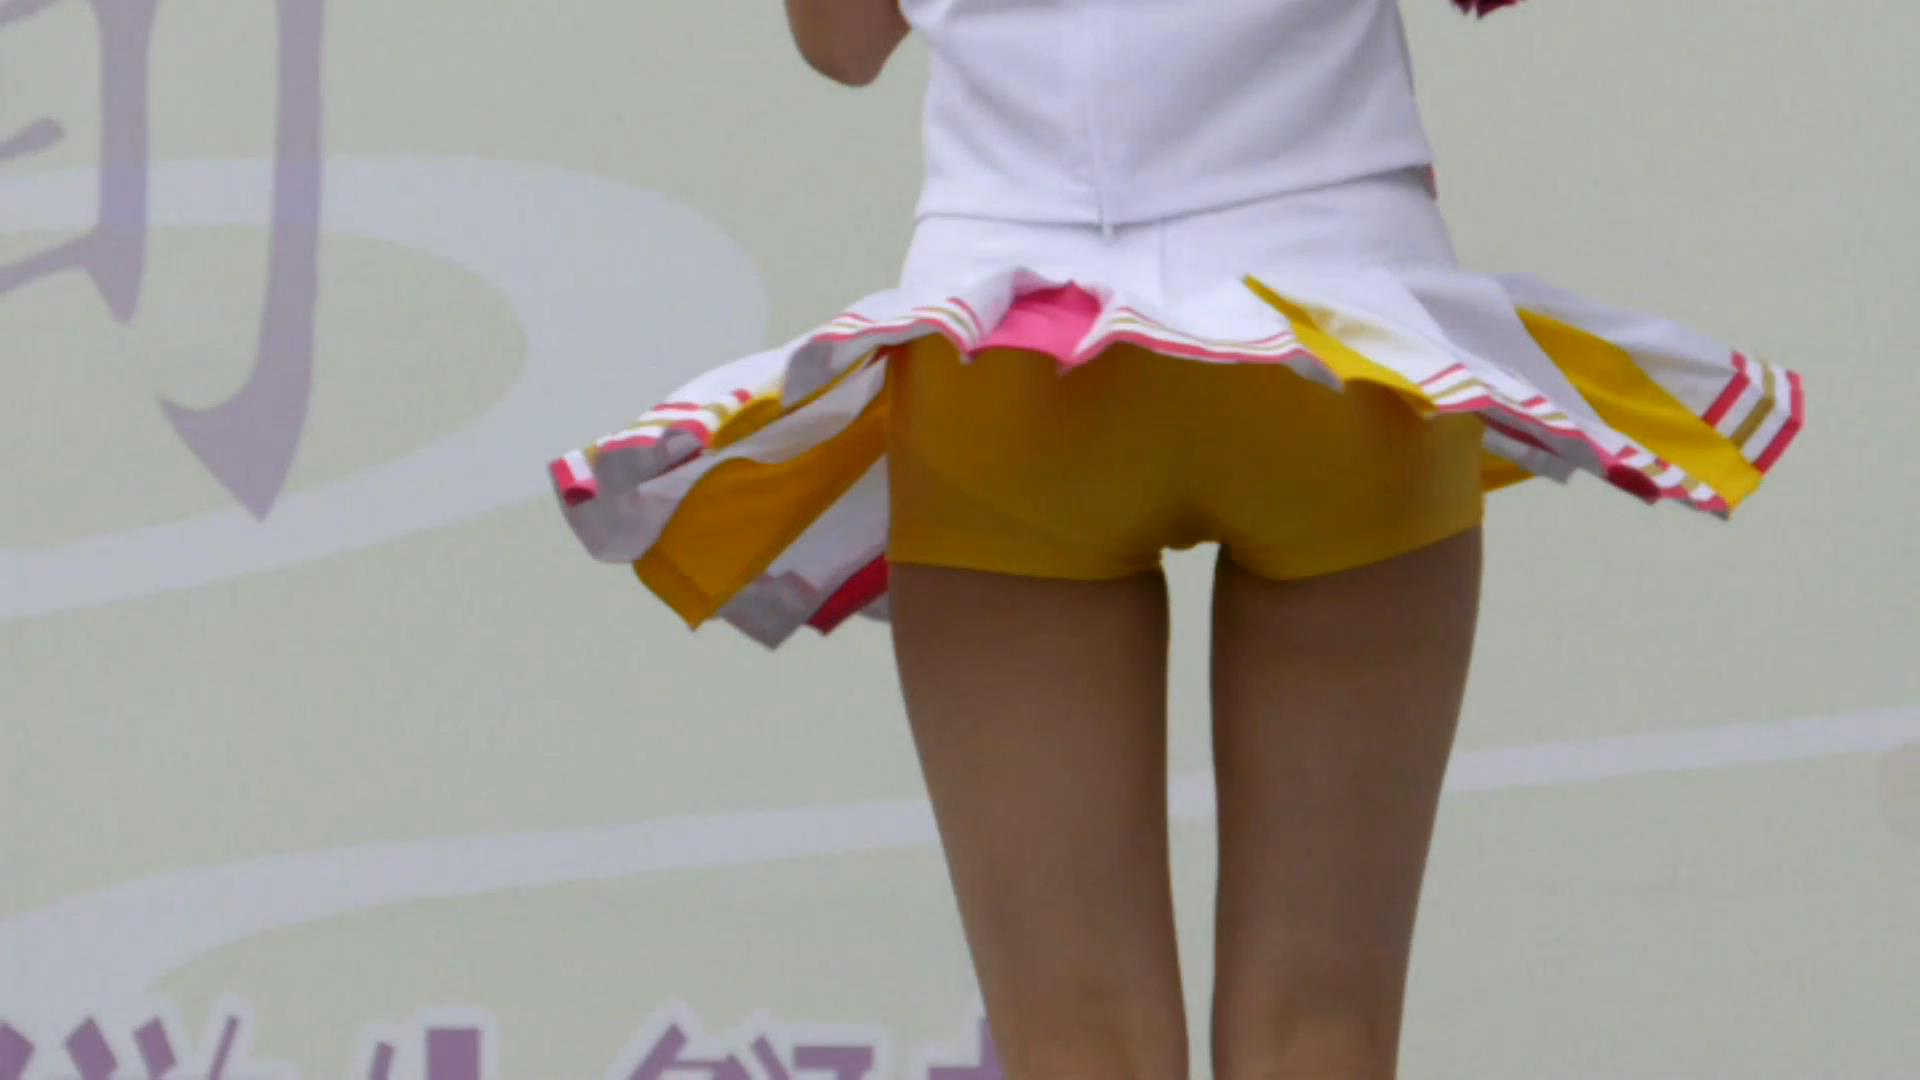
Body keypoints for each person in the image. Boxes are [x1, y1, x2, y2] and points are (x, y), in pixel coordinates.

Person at [548, 1, 1804, 1076]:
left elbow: (842, 41)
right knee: (1322, 1035)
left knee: (1075, 1044)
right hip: (1338, 337)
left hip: (1014, 351)